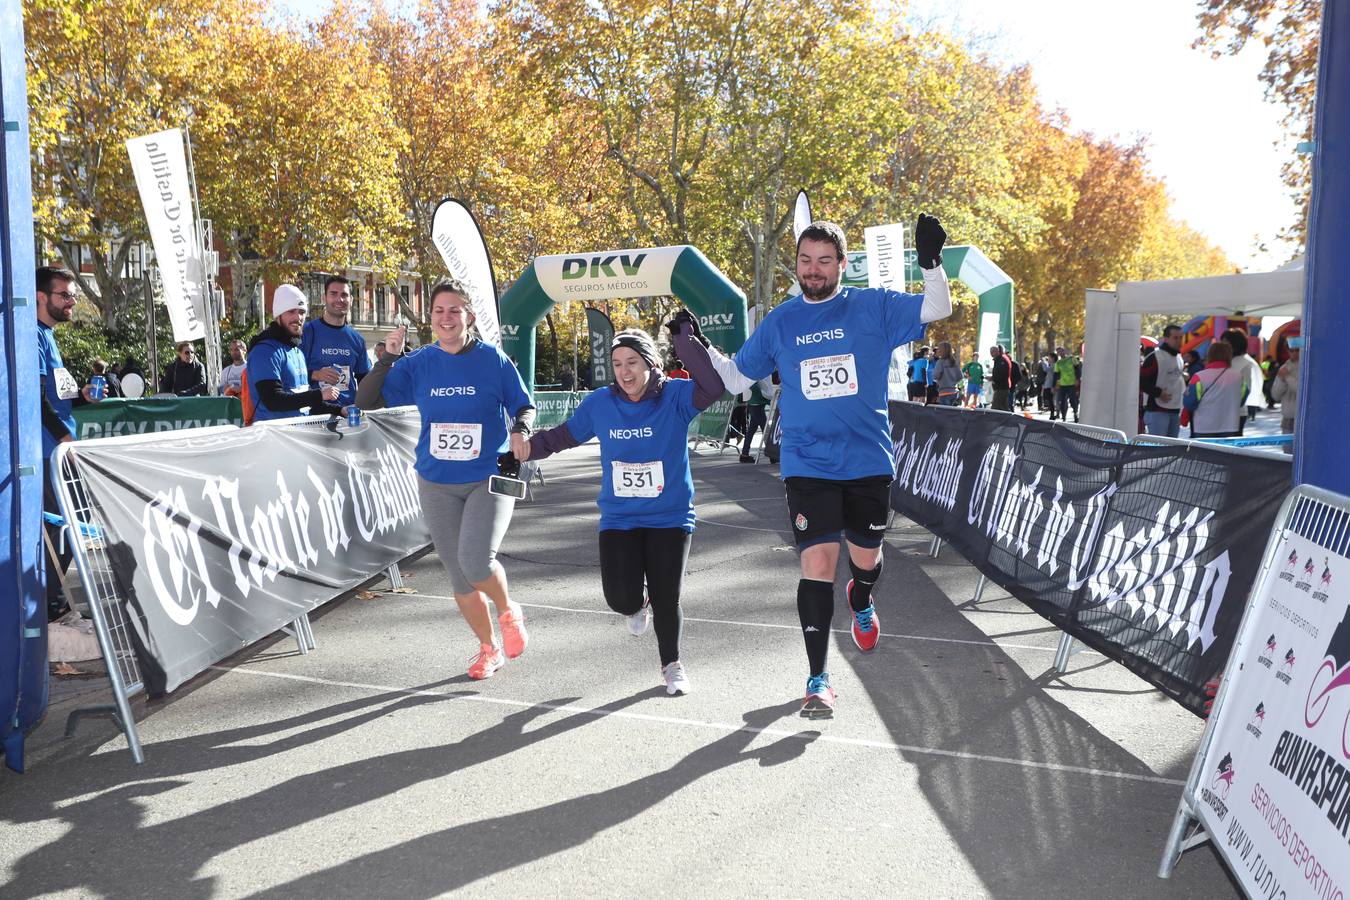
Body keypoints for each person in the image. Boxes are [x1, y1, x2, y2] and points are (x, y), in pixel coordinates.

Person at [703, 215, 952, 718]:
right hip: (806, 462)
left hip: (866, 460)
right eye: (804, 261)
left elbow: (937, 307)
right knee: (817, 565)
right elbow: (733, 379)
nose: (812, 271)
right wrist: (696, 345)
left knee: (865, 558)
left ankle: (861, 599)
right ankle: (818, 679)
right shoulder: (780, 321)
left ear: (841, 264)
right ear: (795, 265)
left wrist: (930, 263)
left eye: (823, 261)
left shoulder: (873, 306)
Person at [518, 323, 722, 695]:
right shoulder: (600, 403)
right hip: (620, 518)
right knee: (620, 598)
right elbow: (564, 435)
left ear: (650, 362)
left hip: (670, 516)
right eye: (617, 364)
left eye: (632, 362)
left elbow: (713, 386)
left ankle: (671, 665)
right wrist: (528, 449)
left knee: (667, 595)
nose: (625, 372)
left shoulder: (675, 397)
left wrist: (684, 340)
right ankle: (635, 603)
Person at [355, 282, 535, 680]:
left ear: (468, 316)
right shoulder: (418, 363)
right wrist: (387, 357)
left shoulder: (492, 359)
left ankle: (508, 611)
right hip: (436, 480)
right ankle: (488, 650)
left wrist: (521, 429)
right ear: (430, 317)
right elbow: (366, 401)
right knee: (459, 575)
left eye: (454, 310)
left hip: (488, 476)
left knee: (475, 562)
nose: (446, 318)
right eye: (439, 310)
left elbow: (523, 404)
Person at [36, 266, 104, 619]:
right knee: (62, 527)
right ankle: (47, 606)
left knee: (71, 526)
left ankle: (52, 602)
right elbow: (35, 399)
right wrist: (65, 441)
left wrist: (82, 397)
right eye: (65, 295)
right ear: (41, 297)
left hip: (60, 448)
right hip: (50, 452)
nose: (72, 302)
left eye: (73, 295)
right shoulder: (31, 335)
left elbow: (56, 398)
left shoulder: (47, 335)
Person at [246, 284, 341, 422]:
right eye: (291, 311)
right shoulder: (265, 350)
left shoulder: (297, 351)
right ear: (278, 316)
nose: (298, 317)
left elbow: (304, 405)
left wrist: (339, 410)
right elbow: (273, 400)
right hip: (273, 436)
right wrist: (319, 395)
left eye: (302, 312)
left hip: (298, 434)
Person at [301, 275, 371, 409]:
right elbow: (293, 374)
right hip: (315, 414)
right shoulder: (307, 331)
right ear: (324, 298)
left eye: (344, 295)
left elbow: (364, 379)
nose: (340, 299)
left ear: (351, 300)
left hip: (348, 414)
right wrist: (316, 374)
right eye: (334, 294)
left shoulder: (357, 339)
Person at [1182, 340, 1247, 439]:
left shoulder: (1199, 377)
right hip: (1230, 426)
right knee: (1225, 454)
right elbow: (1241, 401)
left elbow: (1190, 402)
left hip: (1203, 427)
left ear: (1210, 355)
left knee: (1205, 454)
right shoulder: (1239, 377)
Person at [1140, 323, 1186, 437]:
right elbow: (1141, 381)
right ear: (1166, 339)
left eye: (1181, 338)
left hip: (1175, 410)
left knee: (1171, 450)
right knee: (1158, 449)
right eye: (1175, 338)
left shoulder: (1179, 358)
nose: (1179, 341)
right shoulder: (1155, 357)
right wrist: (1158, 393)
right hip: (1157, 411)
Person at [1222, 328, 1263, 435]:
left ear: (1236, 344)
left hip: (1236, 412)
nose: (1222, 345)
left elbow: (1245, 389)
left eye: (1226, 342)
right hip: (1223, 411)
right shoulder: (1227, 360)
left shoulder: (1245, 363)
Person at [1271, 337, 1301, 448]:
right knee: (1287, 455)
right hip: (1287, 419)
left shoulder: (1307, 367)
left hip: (1302, 419)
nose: (1294, 353)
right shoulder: (1284, 368)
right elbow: (1275, 395)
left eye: (1297, 350)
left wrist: (1287, 377)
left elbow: (1300, 391)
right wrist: (1282, 380)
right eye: (1291, 350)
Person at [739, 379, 770, 462]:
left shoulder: (750, 381)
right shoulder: (755, 383)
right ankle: (772, 453)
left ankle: (744, 454)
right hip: (757, 407)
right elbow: (761, 396)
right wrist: (771, 401)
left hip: (753, 406)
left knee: (751, 431)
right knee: (766, 430)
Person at [929, 342, 961, 406]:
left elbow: (935, 376)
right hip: (954, 392)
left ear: (941, 350)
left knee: (945, 414)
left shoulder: (940, 362)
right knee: (952, 414)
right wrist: (952, 382)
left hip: (944, 393)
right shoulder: (954, 362)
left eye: (939, 349)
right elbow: (960, 376)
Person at [1053, 347, 1080, 422]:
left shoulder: (1072, 359)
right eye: (1058, 352)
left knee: (1073, 400)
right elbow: (1056, 375)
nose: (1060, 353)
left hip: (1072, 383)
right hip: (1063, 385)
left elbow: (1078, 369)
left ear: (1064, 351)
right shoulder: (1058, 363)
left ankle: (1075, 414)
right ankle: (1064, 416)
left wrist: (1077, 379)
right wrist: (1054, 385)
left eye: (1061, 351)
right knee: (1062, 401)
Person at [989, 345, 1013, 412]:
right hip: (1001, 387)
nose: (991, 353)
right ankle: (1010, 421)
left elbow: (1002, 374)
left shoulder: (1002, 360)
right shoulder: (999, 360)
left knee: (995, 408)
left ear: (997, 351)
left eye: (992, 351)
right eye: (990, 351)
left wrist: (993, 378)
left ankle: (993, 422)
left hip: (1001, 387)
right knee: (1004, 408)